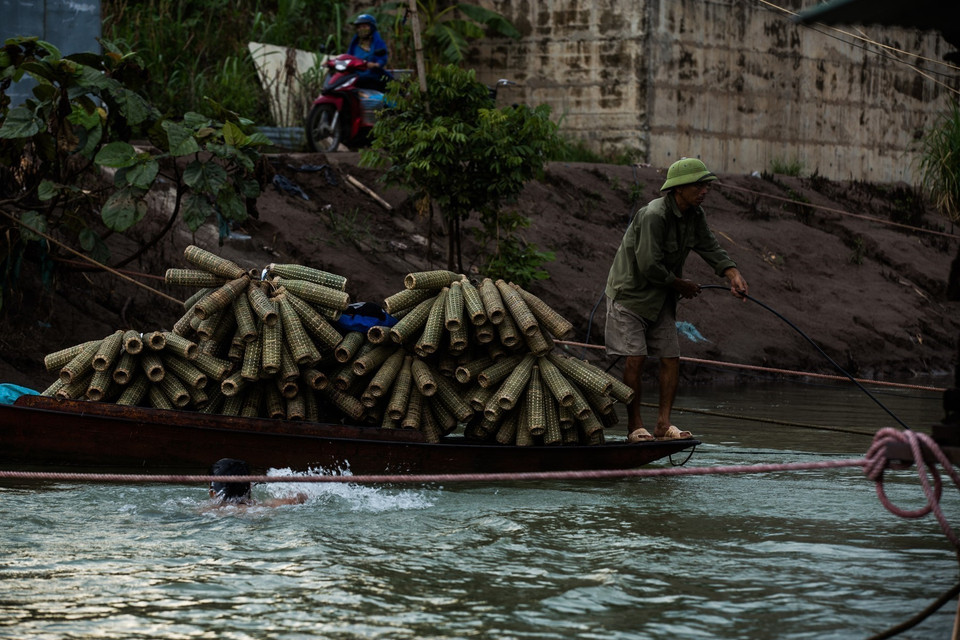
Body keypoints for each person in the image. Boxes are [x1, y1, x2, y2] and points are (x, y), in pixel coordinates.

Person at [604, 157, 749, 443]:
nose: (704, 190)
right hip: (630, 297)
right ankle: (635, 427)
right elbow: (649, 265)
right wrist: (681, 285)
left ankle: (662, 425)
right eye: (698, 185)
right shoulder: (653, 215)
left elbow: (709, 246)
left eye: (705, 185)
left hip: (661, 300)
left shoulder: (696, 215)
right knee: (636, 357)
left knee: (671, 357)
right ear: (679, 189)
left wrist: (732, 273)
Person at [206, 458, 307, 509]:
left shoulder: (209, 511)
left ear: (212, 492)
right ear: (250, 485)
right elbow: (300, 498)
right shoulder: (263, 506)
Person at [346, 13, 390, 91]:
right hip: (355, 76)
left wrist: (376, 64)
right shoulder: (354, 44)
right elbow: (348, 56)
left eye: (364, 26)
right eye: (359, 27)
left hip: (372, 76)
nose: (361, 29)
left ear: (372, 27)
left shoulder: (378, 42)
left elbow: (382, 58)